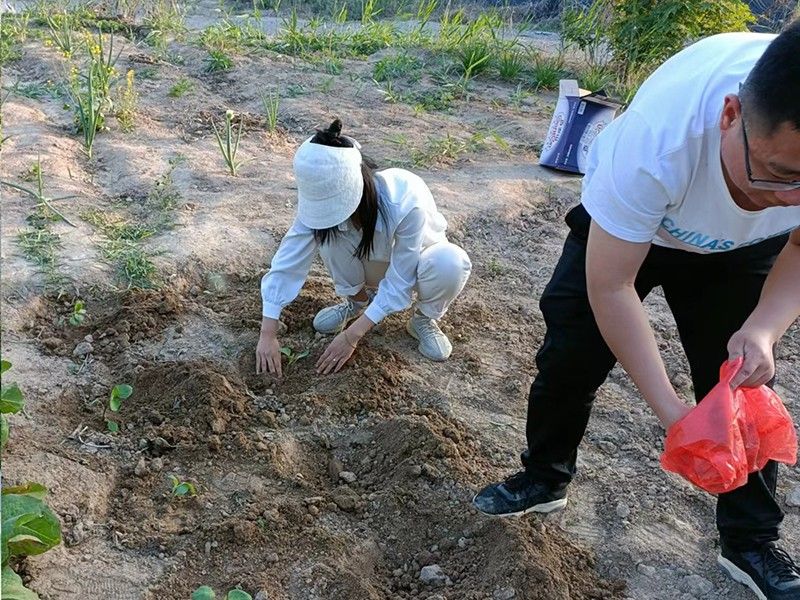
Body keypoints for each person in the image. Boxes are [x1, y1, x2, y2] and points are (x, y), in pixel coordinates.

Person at [473, 21, 800, 600]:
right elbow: (612, 287)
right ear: (730, 116)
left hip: (738, 253)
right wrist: (674, 414)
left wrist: (764, 328)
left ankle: (750, 542)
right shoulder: (656, 145)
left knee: (743, 387)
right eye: (778, 175)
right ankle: (544, 478)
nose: (790, 199)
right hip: (628, 235)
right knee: (570, 356)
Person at [255, 119, 472, 378]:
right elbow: (288, 260)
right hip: (372, 266)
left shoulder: (403, 201)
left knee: (451, 262)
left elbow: (401, 278)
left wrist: (352, 336)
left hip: (420, 268)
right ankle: (357, 302)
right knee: (329, 238)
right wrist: (267, 333)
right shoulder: (317, 200)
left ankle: (423, 319)